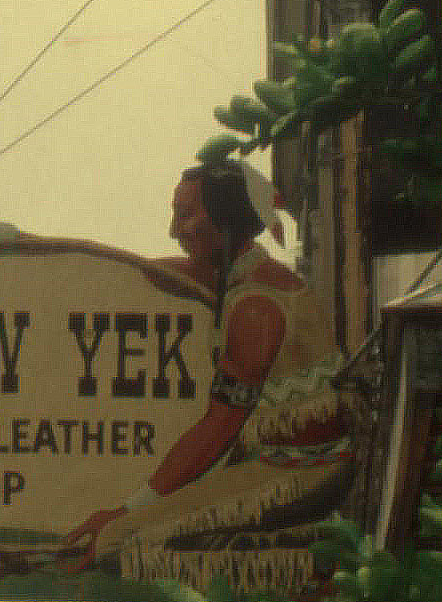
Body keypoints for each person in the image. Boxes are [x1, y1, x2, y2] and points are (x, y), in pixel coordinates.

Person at [51, 162, 353, 569]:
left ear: (226, 219)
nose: (175, 231)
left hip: (303, 473)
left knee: (116, 543)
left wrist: (128, 510)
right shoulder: (238, 275)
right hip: (274, 463)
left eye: (186, 214)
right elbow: (134, 270)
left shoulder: (257, 307)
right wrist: (4, 238)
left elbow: (219, 427)